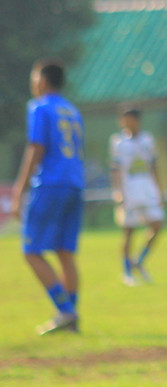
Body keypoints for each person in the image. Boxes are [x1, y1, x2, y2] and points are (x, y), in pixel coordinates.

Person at [12, 59, 85, 335]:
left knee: (31, 251)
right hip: (74, 184)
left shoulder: (39, 107)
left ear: (42, 81)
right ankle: (71, 317)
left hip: (51, 184)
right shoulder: (72, 110)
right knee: (65, 252)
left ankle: (66, 310)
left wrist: (20, 188)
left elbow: (36, 148)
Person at [109, 107, 165, 285]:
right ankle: (127, 272)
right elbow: (115, 169)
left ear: (136, 120)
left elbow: (154, 166)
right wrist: (117, 191)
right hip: (129, 191)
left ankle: (139, 262)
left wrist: (160, 190)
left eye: (129, 119)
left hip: (147, 190)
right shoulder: (118, 142)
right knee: (128, 230)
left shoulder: (148, 140)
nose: (125, 123)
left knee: (157, 225)